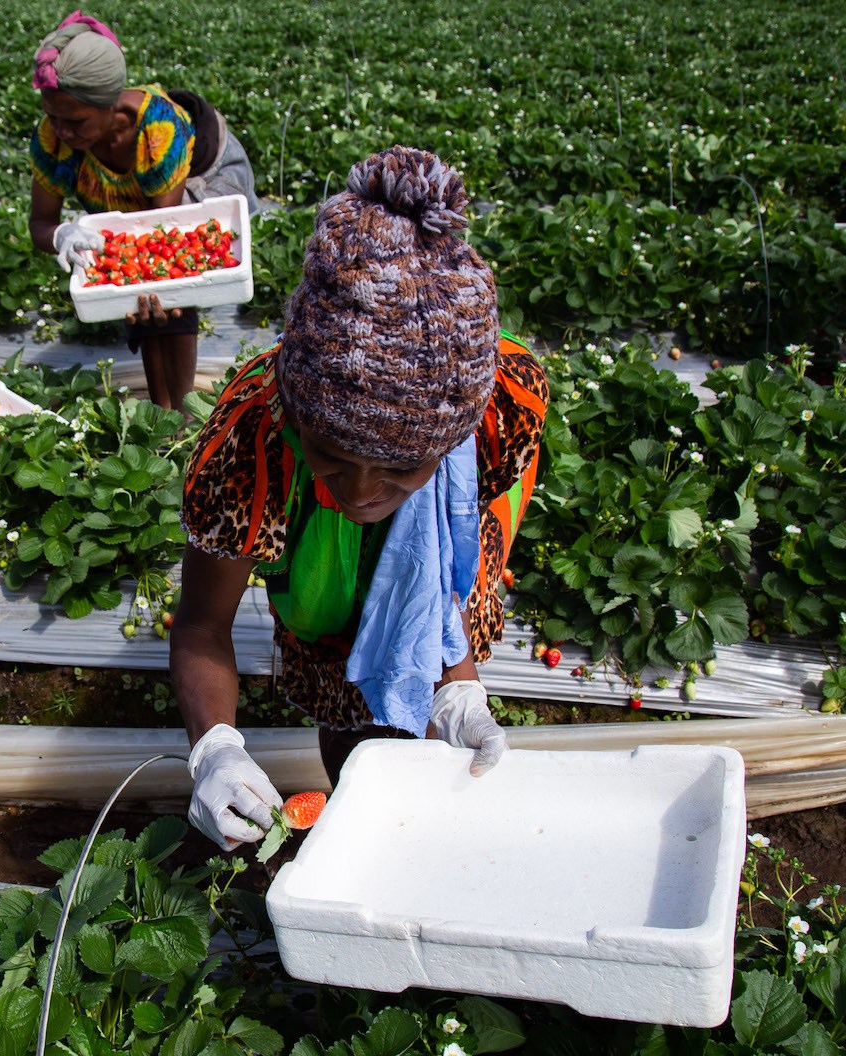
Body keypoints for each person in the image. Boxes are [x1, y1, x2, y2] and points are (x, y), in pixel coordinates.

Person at [171, 146, 549, 851]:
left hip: (446, 607)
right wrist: (215, 751)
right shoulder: (253, 438)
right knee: (355, 748)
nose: (363, 495)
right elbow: (200, 626)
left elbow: (452, 564)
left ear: (453, 441)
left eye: (403, 470)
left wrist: (458, 683)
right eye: (334, 462)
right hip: (328, 627)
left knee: (443, 766)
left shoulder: (505, 407)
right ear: (296, 415)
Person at [27, 11, 260, 411]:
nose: (61, 131)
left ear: (111, 107)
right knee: (139, 308)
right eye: (52, 117)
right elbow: (40, 224)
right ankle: (161, 414)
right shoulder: (56, 141)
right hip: (130, 202)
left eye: (74, 121)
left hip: (202, 177)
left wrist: (149, 293)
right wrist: (62, 235)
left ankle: (185, 415)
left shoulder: (158, 130)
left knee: (172, 301)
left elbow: (160, 242)